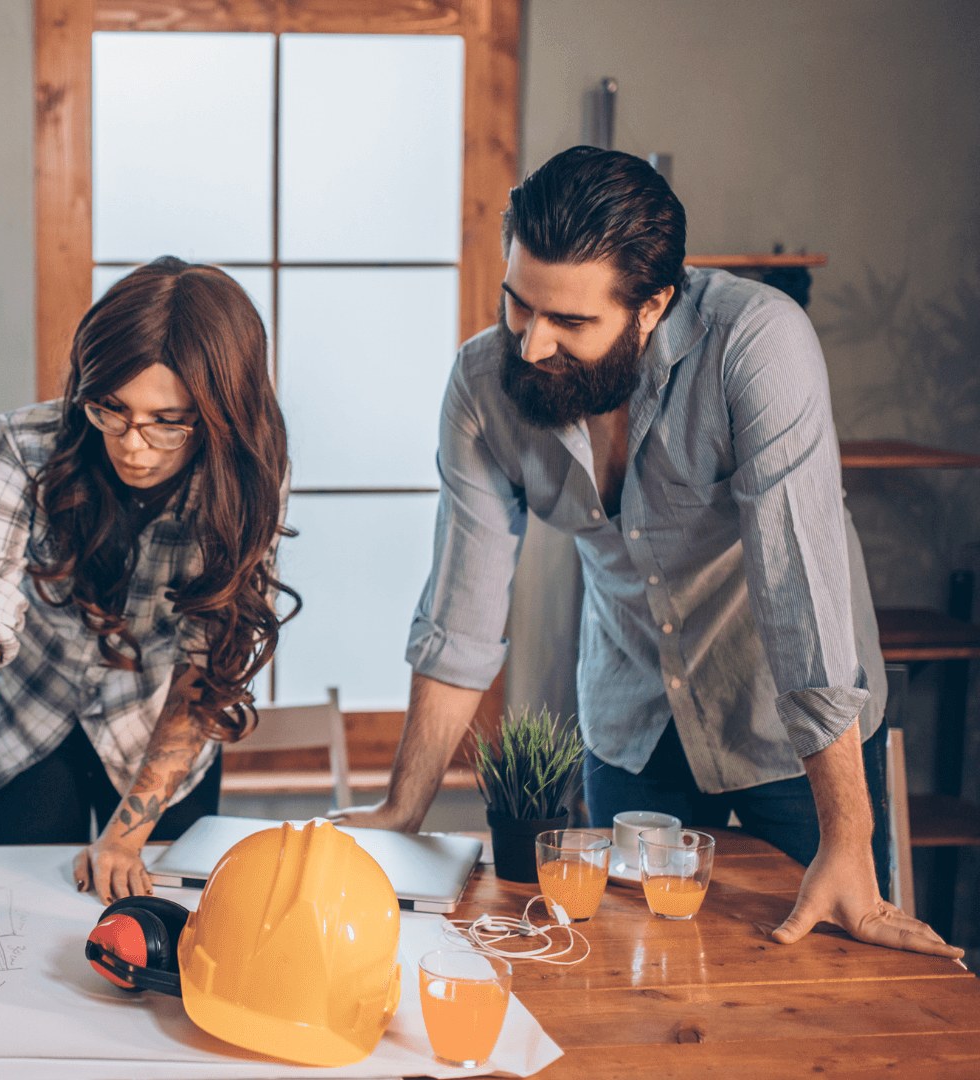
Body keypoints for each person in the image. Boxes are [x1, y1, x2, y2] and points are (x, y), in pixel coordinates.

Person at [335, 146, 960, 959]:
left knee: (819, 964)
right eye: (519, 305)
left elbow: (800, 594)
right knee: (626, 973)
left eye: (570, 323)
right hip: (631, 720)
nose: (529, 345)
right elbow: (462, 609)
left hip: (789, 723)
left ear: (652, 305)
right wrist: (401, 814)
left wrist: (847, 837)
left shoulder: (757, 344)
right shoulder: (482, 384)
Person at [0, 258, 294, 967]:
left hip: (159, 727)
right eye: (113, 411)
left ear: (217, 413)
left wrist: (128, 832)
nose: (133, 445)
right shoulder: (28, 444)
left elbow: (211, 657)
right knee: (31, 930)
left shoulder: (246, 475)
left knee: (167, 938)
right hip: (23, 722)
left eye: (168, 423)